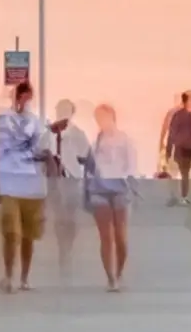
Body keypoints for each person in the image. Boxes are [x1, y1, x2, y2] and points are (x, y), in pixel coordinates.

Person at [0, 79, 50, 292]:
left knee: (28, 235)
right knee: (11, 232)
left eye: (27, 96)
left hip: (32, 184)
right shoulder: (3, 121)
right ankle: (8, 276)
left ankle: (24, 278)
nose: (23, 100)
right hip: (8, 182)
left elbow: (45, 150)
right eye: (20, 95)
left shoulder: (39, 122)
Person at [84, 103, 138, 288]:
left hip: (120, 189)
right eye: (97, 118)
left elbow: (131, 165)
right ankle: (110, 277)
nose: (100, 122)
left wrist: (126, 179)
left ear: (112, 117)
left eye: (102, 117)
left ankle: (119, 269)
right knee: (106, 236)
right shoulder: (96, 142)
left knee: (120, 236)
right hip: (99, 190)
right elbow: (91, 166)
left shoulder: (124, 140)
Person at [48, 97, 92, 273]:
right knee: (61, 217)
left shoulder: (77, 134)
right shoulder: (49, 133)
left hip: (72, 178)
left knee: (69, 217)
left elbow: (85, 156)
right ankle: (63, 248)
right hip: (56, 180)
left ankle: (67, 247)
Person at [164, 91, 191, 204]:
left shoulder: (176, 115)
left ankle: (174, 195)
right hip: (188, 147)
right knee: (185, 173)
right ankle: (184, 196)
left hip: (178, 147)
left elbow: (171, 133)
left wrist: (168, 149)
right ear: (189, 100)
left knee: (176, 172)